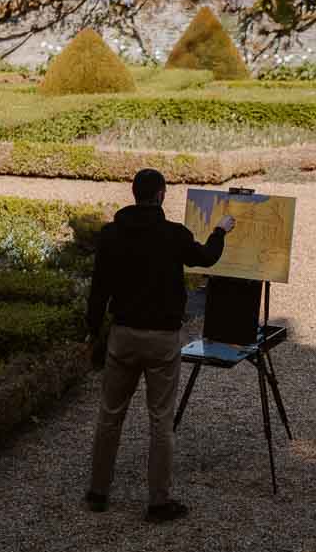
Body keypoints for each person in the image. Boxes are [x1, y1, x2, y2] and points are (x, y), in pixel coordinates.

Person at [86, 168, 234, 522]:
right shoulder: (173, 235)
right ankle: (157, 501)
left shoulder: (111, 235)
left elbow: (98, 291)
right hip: (163, 339)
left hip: (123, 335)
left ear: (134, 193)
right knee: (160, 421)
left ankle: (98, 492)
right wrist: (219, 231)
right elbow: (206, 258)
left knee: (109, 416)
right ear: (162, 195)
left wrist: (94, 333)